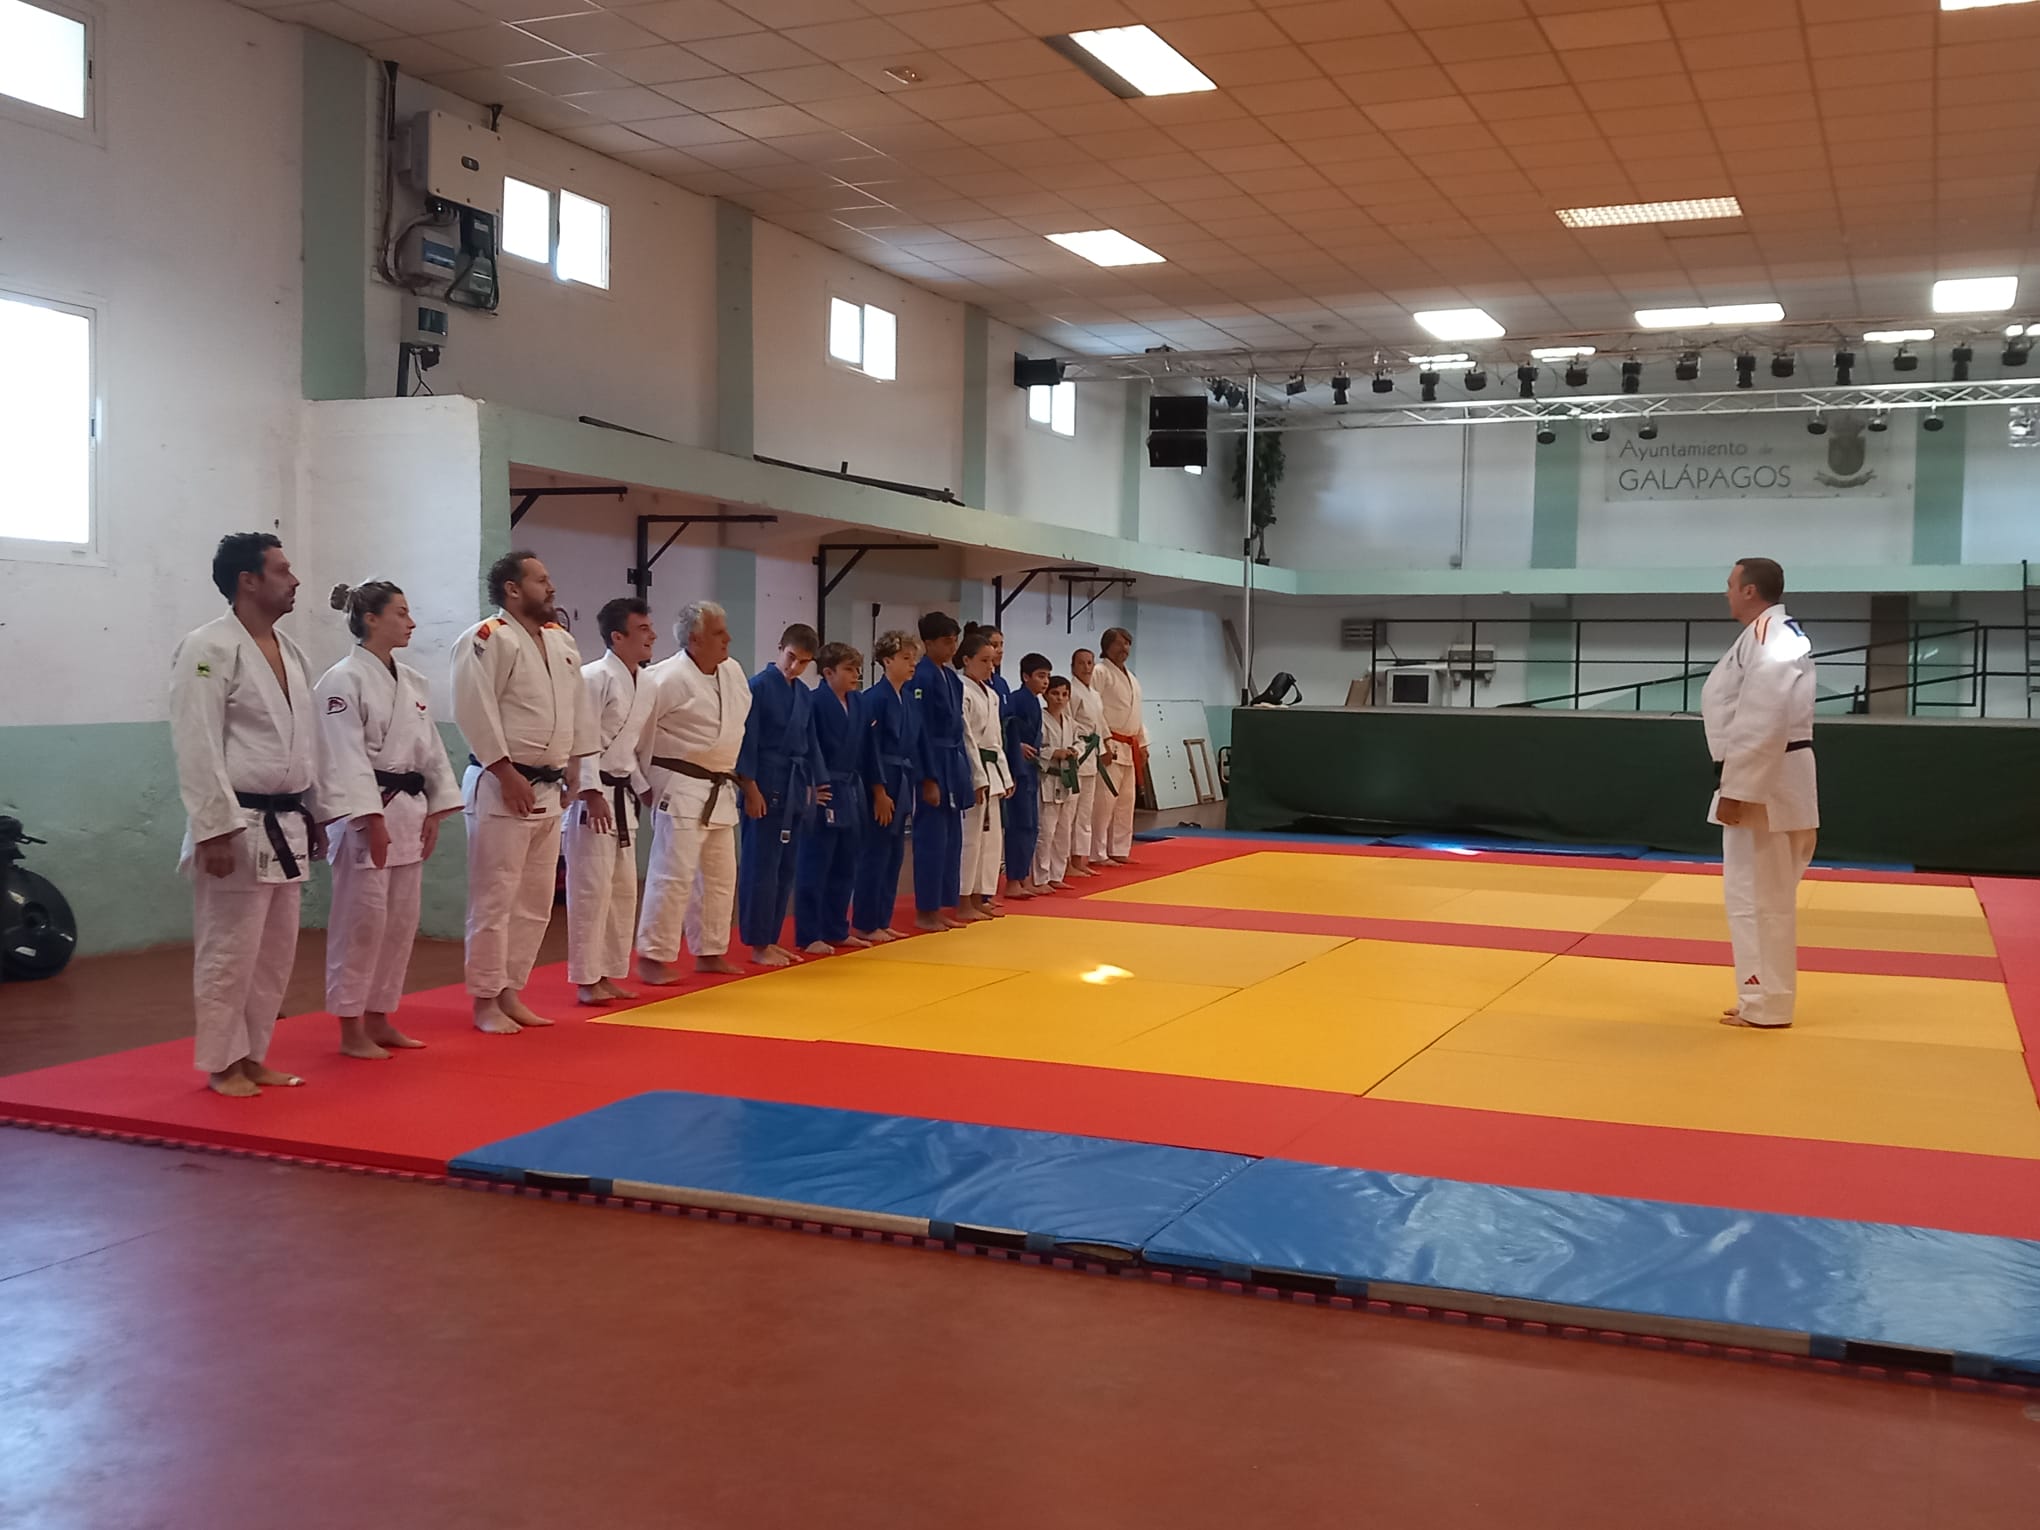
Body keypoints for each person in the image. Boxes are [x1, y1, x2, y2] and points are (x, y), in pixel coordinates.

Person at [169, 532, 326, 1097]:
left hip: (287, 821)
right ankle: (221, 1063)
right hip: (237, 824)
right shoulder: (207, 647)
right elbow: (196, 741)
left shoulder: (293, 652)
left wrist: (315, 813)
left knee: (274, 953)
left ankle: (253, 1055)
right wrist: (212, 827)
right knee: (229, 950)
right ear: (248, 581)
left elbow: (305, 745)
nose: (295, 579)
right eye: (283, 570)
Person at [449, 550, 602, 1035]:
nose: (550, 587)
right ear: (512, 589)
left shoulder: (560, 640)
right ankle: (485, 999)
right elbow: (473, 709)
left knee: (535, 899)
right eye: (540, 579)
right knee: (494, 898)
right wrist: (504, 772)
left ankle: (511, 990)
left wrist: (576, 766)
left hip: (549, 785)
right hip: (501, 785)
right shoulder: (487, 638)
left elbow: (577, 709)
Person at [315, 580, 461, 1060]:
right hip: (366, 813)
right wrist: (369, 818)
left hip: (408, 811)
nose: (411, 622)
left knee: (399, 923)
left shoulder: (413, 682)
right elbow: (343, 755)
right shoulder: (341, 681)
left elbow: (430, 752)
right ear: (371, 619)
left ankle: (379, 1017)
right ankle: (349, 1026)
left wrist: (437, 808)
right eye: (401, 613)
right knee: (360, 922)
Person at [1703, 557, 1819, 1030]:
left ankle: (1766, 1003)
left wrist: (1739, 789)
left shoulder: (1772, 636)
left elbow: (1764, 713)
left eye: (1731, 584)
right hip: (1773, 777)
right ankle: (1761, 996)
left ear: (1750, 590)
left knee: (1759, 898)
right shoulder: (1769, 634)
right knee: (1760, 898)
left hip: (1766, 784)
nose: (1726, 592)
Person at [634, 600, 755, 983]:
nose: (728, 639)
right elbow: (637, 734)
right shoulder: (664, 678)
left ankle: (710, 950)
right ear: (694, 639)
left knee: (720, 876)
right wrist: (643, 786)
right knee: (673, 874)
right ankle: (653, 957)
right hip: (679, 784)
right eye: (719, 633)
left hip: (720, 785)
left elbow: (739, 726)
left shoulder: (732, 671)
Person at [564, 596, 656, 1007]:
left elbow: (628, 749)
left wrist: (642, 786)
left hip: (622, 794)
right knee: (591, 889)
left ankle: (609, 972)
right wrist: (589, 791)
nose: (651, 635)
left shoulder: (645, 683)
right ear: (617, 637)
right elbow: (579, 740)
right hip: (593, 798)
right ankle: (587, 979)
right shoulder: (592, 677)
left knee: (621, 890)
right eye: (642, 629)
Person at [737, 624, 826, 968]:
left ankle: (771, 939)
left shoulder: (803, 694)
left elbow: (810, 742)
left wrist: (814, 783)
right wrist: (750, 788)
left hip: (794, 784)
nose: (794, 667)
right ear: (779, 648)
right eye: (791, 657)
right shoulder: (758, 687)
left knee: (786, 868)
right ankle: (758, 943)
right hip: (764, 782)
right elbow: (747, 741)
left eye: (803, 662)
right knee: (761, 867)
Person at [794, 642, 868, 954]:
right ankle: (809, 933)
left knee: (846, 862)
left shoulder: (858, 702)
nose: (856, 675)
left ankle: (836, 928)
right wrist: (812, 784)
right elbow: (806, 747)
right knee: (815, 862)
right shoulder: (814, 702)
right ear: (828, 673)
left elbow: (865, 749)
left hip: (850, 787)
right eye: (849, 669)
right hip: (824, 786)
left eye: (857, 669)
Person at [852, 629, 922, 944]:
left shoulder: (908, 699)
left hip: (903, 777)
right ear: (886, 660)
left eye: (914, 659)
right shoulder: (874, 699)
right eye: (906, 658)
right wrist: (878, 791)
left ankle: (882, 918)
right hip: (880, 778)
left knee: (894, 854)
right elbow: (870, 750)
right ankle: (866, 922)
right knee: (875, 852)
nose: (912, 664)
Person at [910, 612, 972, 932]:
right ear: (928, 642)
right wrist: (928, 778)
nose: (953, 647)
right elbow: (918, 731)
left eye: (955, 640)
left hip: (952, 759)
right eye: (947, 641)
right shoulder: (920, 677)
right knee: (931, 840)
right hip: (932, 760)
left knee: (951, 840)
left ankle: (941, 905)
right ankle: (925, 911)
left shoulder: (951, 678)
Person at [957, 629, 1013, 921]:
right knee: (971, 840)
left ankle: (982, 894)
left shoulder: (991, 694)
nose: (991, 666)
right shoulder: (961, 690)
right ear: (966, 660)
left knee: (992, 840)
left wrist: (1005, 776)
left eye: (992, 661)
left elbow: (996, 741)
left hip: (993, 772)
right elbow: (967, 739)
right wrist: (977, 778)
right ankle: (963, 899)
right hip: (973, 772)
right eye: (984, 660)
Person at [1089, 626, 1147, 866]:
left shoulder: (1131, 677)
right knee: (1104, 801)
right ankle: (1097, 852)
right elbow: (1095, 709)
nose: (1124, 648)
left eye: (1127, 644)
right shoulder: (1100, 672)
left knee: (1126, 801)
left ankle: (1120, 849)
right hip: (1110, 743)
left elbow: (1136, 713)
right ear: (1107, 646)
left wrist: (1142, 743)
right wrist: (1103, 743)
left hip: (1129, 745)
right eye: (1119, 644)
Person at [1002, 652, 1050, 902]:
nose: (1045, 681)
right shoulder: (1016, 699)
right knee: (1019, 825)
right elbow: (1005, 728)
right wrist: (1016, 745)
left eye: (1047, 676)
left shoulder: (1033, 701)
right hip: (1017, 769)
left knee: (1031, 825)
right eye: (1040, 676)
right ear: (1025, 676)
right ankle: (1013, 880)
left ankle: (1023, 877)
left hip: (1030, 769)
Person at [1033, 676, 1081, 892]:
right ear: (1045, 695)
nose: (1060, 698)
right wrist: (1054, 752)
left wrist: (1075, 750)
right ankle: (1041, 877)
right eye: (1055, 693)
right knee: (1046, 832)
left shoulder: (1070, 722)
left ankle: (1057, 874)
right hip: (1047, 779)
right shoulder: (1040, 719)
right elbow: (1035, 748)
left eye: (1064, 694)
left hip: (1066, 780)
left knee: (1063, 831)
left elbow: (1081, 741)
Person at [1065, 647, 1107, 879]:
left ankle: (1079, 859)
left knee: (1085, 813)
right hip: (1077, 753)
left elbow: (1100, 724)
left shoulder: (1095, 694)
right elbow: (1067, 722)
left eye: (1090, 662)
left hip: (1092, 755)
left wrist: (1105, 748)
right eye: (1081, 663)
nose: (1086, 667)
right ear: (1073, 666)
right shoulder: (1070, 691)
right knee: (1070, 812)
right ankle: (1065, 862)